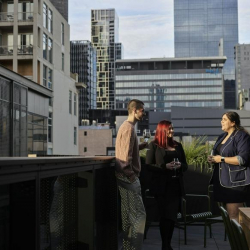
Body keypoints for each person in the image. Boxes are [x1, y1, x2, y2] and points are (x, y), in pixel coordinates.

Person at [146, 120, 188, 250]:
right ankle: (165, 245)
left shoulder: (178, 145)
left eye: (172, 128)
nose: (172, 131)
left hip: (176, 186)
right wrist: (165, 167)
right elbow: (148, 165)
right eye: (169, 129)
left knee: (172, 217)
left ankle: (168, 244)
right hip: (162, 187)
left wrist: (180, 166)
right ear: (162, 130)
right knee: (165, 216)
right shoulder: (153, 145)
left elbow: (185, 165)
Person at [115, 99, 148, 250]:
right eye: (142, 110)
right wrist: (132, 175)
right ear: (135, 110)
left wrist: (142, 145)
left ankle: (128, 248)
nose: (144, 113)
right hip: (128, 178)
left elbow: (128, 149)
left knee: (128, 216)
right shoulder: (129, 128)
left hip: (122, 178)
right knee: (139, 216)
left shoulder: (125, 127)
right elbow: (124, 156)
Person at [208, 111, 250, 222]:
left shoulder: (242, 136)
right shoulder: (222, 136)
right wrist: (212, 159)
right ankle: (233, 239)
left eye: (225, 119)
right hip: (221, 182)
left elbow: (242, 159)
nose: (221, 121)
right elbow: (217, 154)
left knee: (234, 217)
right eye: (221, 119)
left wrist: (221, 159)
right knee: (227, 218)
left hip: (235, 184)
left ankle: (241, 239)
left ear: (233, 123)